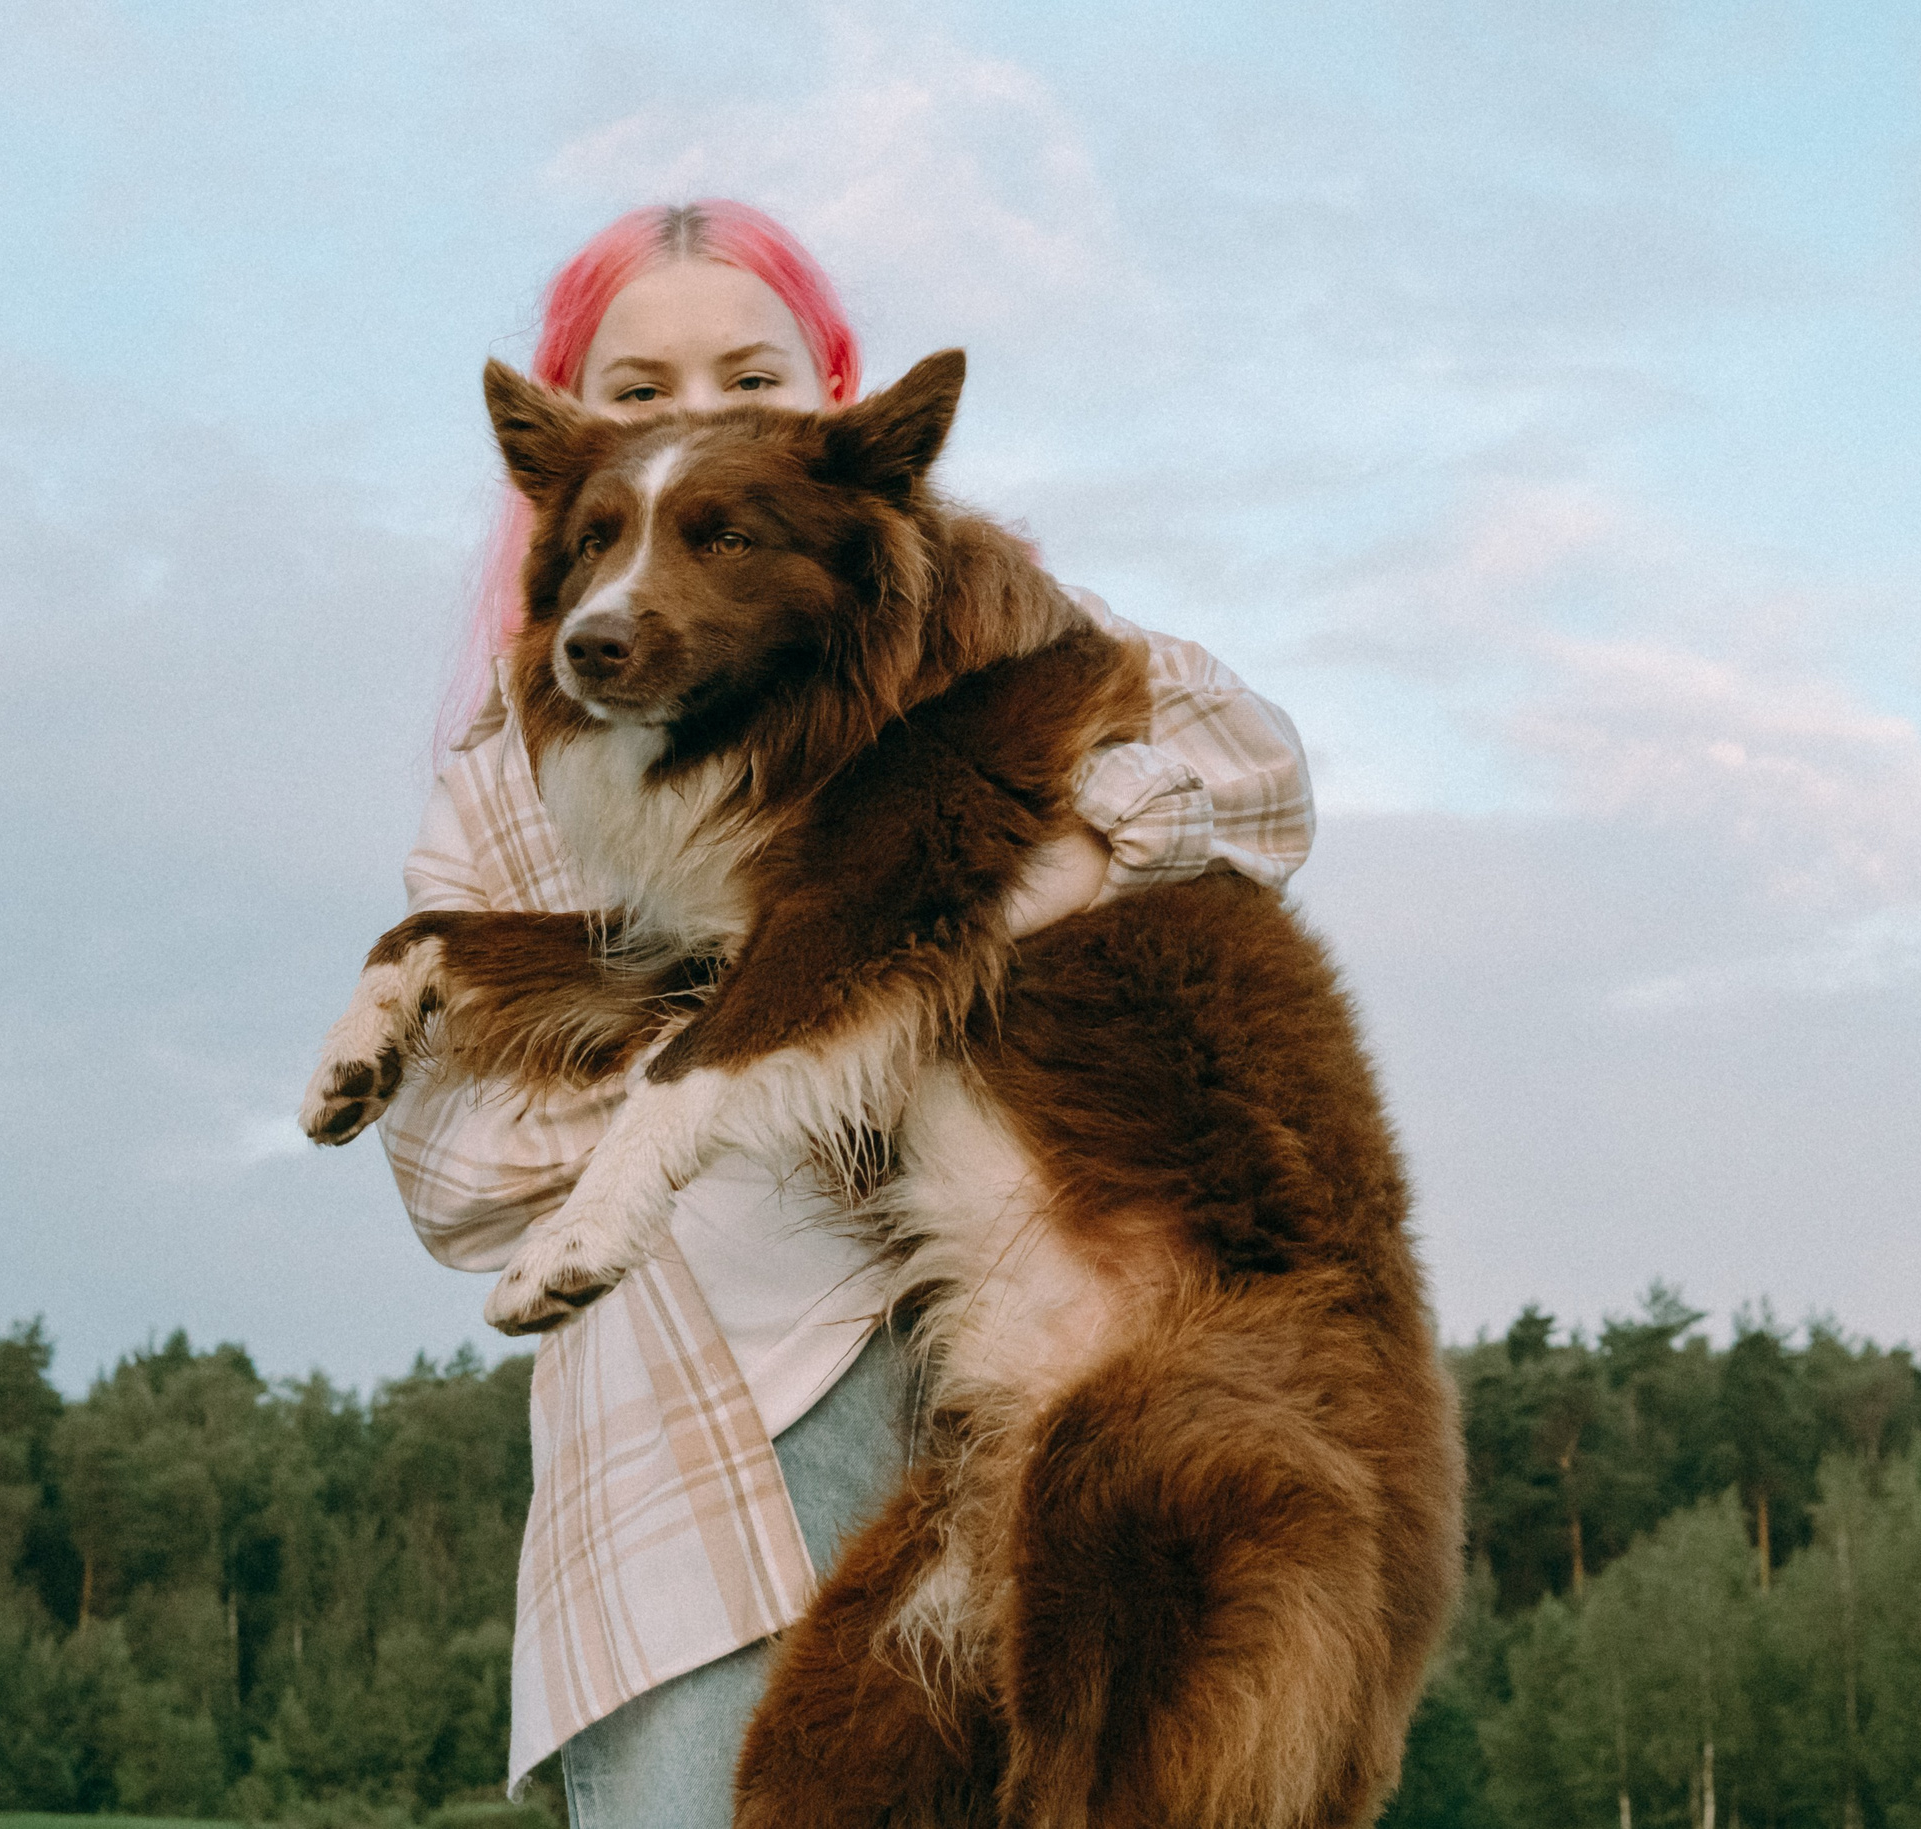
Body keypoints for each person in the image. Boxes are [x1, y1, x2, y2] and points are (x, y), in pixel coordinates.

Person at [379, 199, 1315, 1829]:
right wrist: (758, 1044)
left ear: (832, 402)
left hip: (1013, 1366)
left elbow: (1256, 770)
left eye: (748, 374)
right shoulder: (503, 785)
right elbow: (455, 1176)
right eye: (641, 390)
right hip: (682, 1469)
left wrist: (1011, 880)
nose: (698, 419)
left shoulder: (953, 644)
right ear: (571, 440)